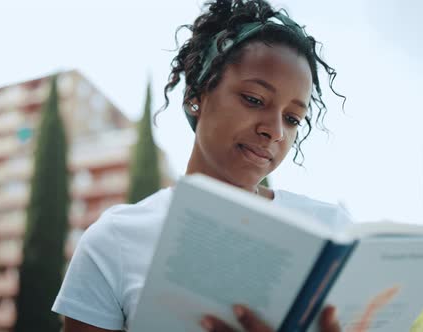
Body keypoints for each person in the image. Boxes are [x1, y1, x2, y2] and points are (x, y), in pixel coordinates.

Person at [52, 0, 348, 331]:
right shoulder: (114, 243)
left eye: (293, 118)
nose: (275, 131)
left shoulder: (331, 233)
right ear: (196, 95)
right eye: (254, 99)